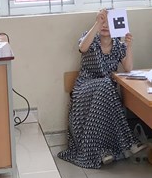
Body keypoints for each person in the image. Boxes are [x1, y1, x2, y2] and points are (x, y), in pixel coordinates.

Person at [58, 9, 144, 169]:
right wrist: (97, 23)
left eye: (109, 23)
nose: (105, 26)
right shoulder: (90, 38)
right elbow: (82, 47)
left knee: (105, 87)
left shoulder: (118, 45)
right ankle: (128, 142)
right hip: (84, 86)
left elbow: (128, 68)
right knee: (106, 84)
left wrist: (129, 46)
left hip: (105, 93)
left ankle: (103, 151)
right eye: (103, 21)